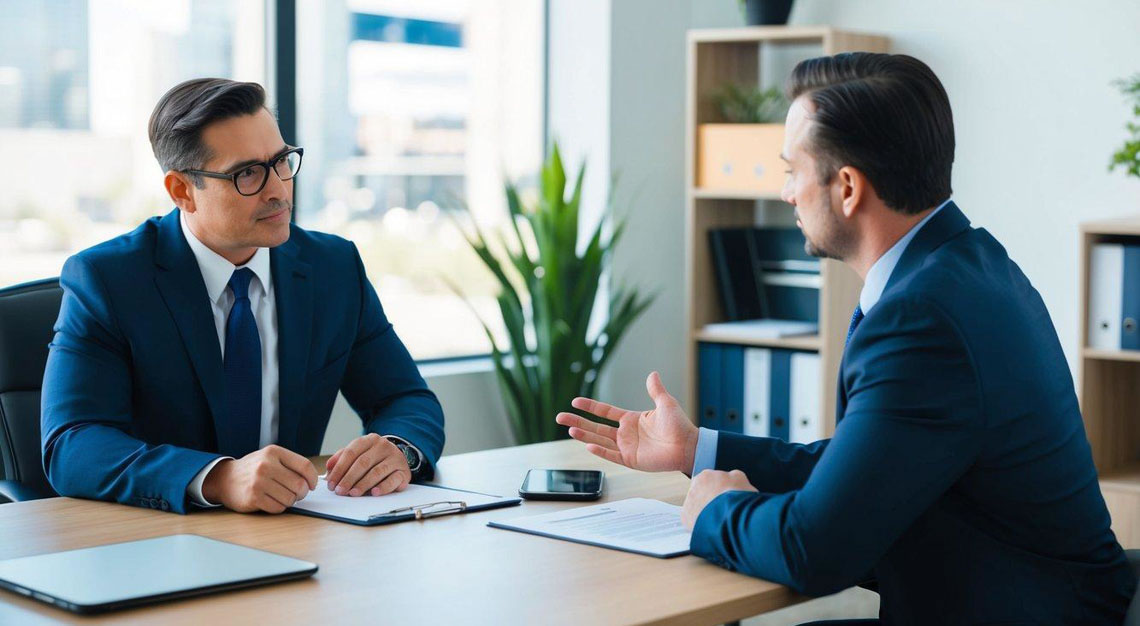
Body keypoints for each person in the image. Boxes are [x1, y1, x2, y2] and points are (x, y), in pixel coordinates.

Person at [557, 53, 1136, 624]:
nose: (786, 192)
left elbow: (815, 551)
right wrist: (696, 450)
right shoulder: (970, 267)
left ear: (848, 188)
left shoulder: (921, 319)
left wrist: (717, 510)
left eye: (792, 171)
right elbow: (865, 466)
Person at [41, 78, 445, 515]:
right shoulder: (108, 279)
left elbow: (406, 399)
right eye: (247, 173)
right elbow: (72, 444)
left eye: (281, 162)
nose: (279, 190)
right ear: (182, 191)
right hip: (161, 535)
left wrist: (398, 450)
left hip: (295, 529)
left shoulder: (333, 268)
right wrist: (217, 478)